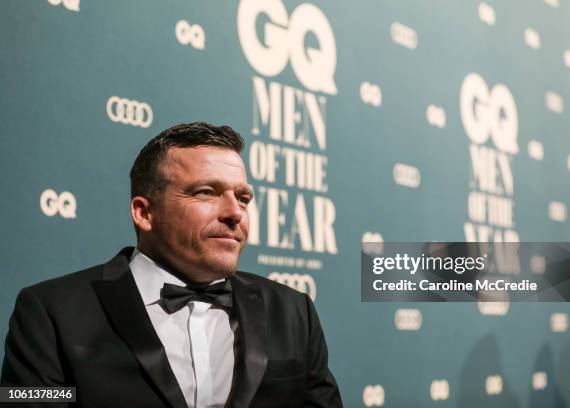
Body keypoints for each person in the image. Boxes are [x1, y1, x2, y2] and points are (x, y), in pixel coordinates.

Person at [1, 122, 343, 407]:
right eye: (206, 192)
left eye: (243, 198)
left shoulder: (294, 311)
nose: (234, 213)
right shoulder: (50, 312)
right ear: (144, 212)